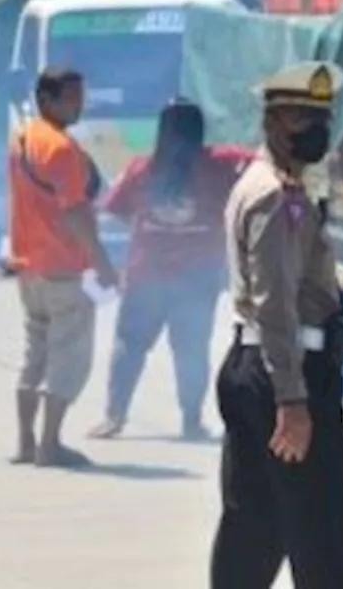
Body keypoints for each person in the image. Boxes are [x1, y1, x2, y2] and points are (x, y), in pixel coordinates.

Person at [211, 61, 343, 589]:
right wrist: (292, 401)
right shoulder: (273, 196)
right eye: (302, 118)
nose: (315, 127)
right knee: (321, 536)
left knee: (256, 526)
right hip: (285, 372)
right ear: (273, 121)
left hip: (258, 366)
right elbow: (275, 304)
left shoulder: (276, 185)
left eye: (322, 116)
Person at [87, 98, 255, 442]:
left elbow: (115, 209)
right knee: (191, 351)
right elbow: (260, 164)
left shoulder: (142, 170)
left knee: (129, 345)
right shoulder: (221, 165)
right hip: (197, 281)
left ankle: (114, 417)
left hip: (146, 276)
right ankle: (191, 422)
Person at [5, 68, 117, 468]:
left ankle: (25, 443)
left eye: (80, 96)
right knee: (68, 358)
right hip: (63, 268)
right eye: (71, 97)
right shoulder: (63, 150)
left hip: (29, 266)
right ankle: (50, 444)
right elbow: (74, 214)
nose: (79, 104)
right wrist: (102, 262)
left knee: (34, 354)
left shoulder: (21, 139)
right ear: (46, 100)